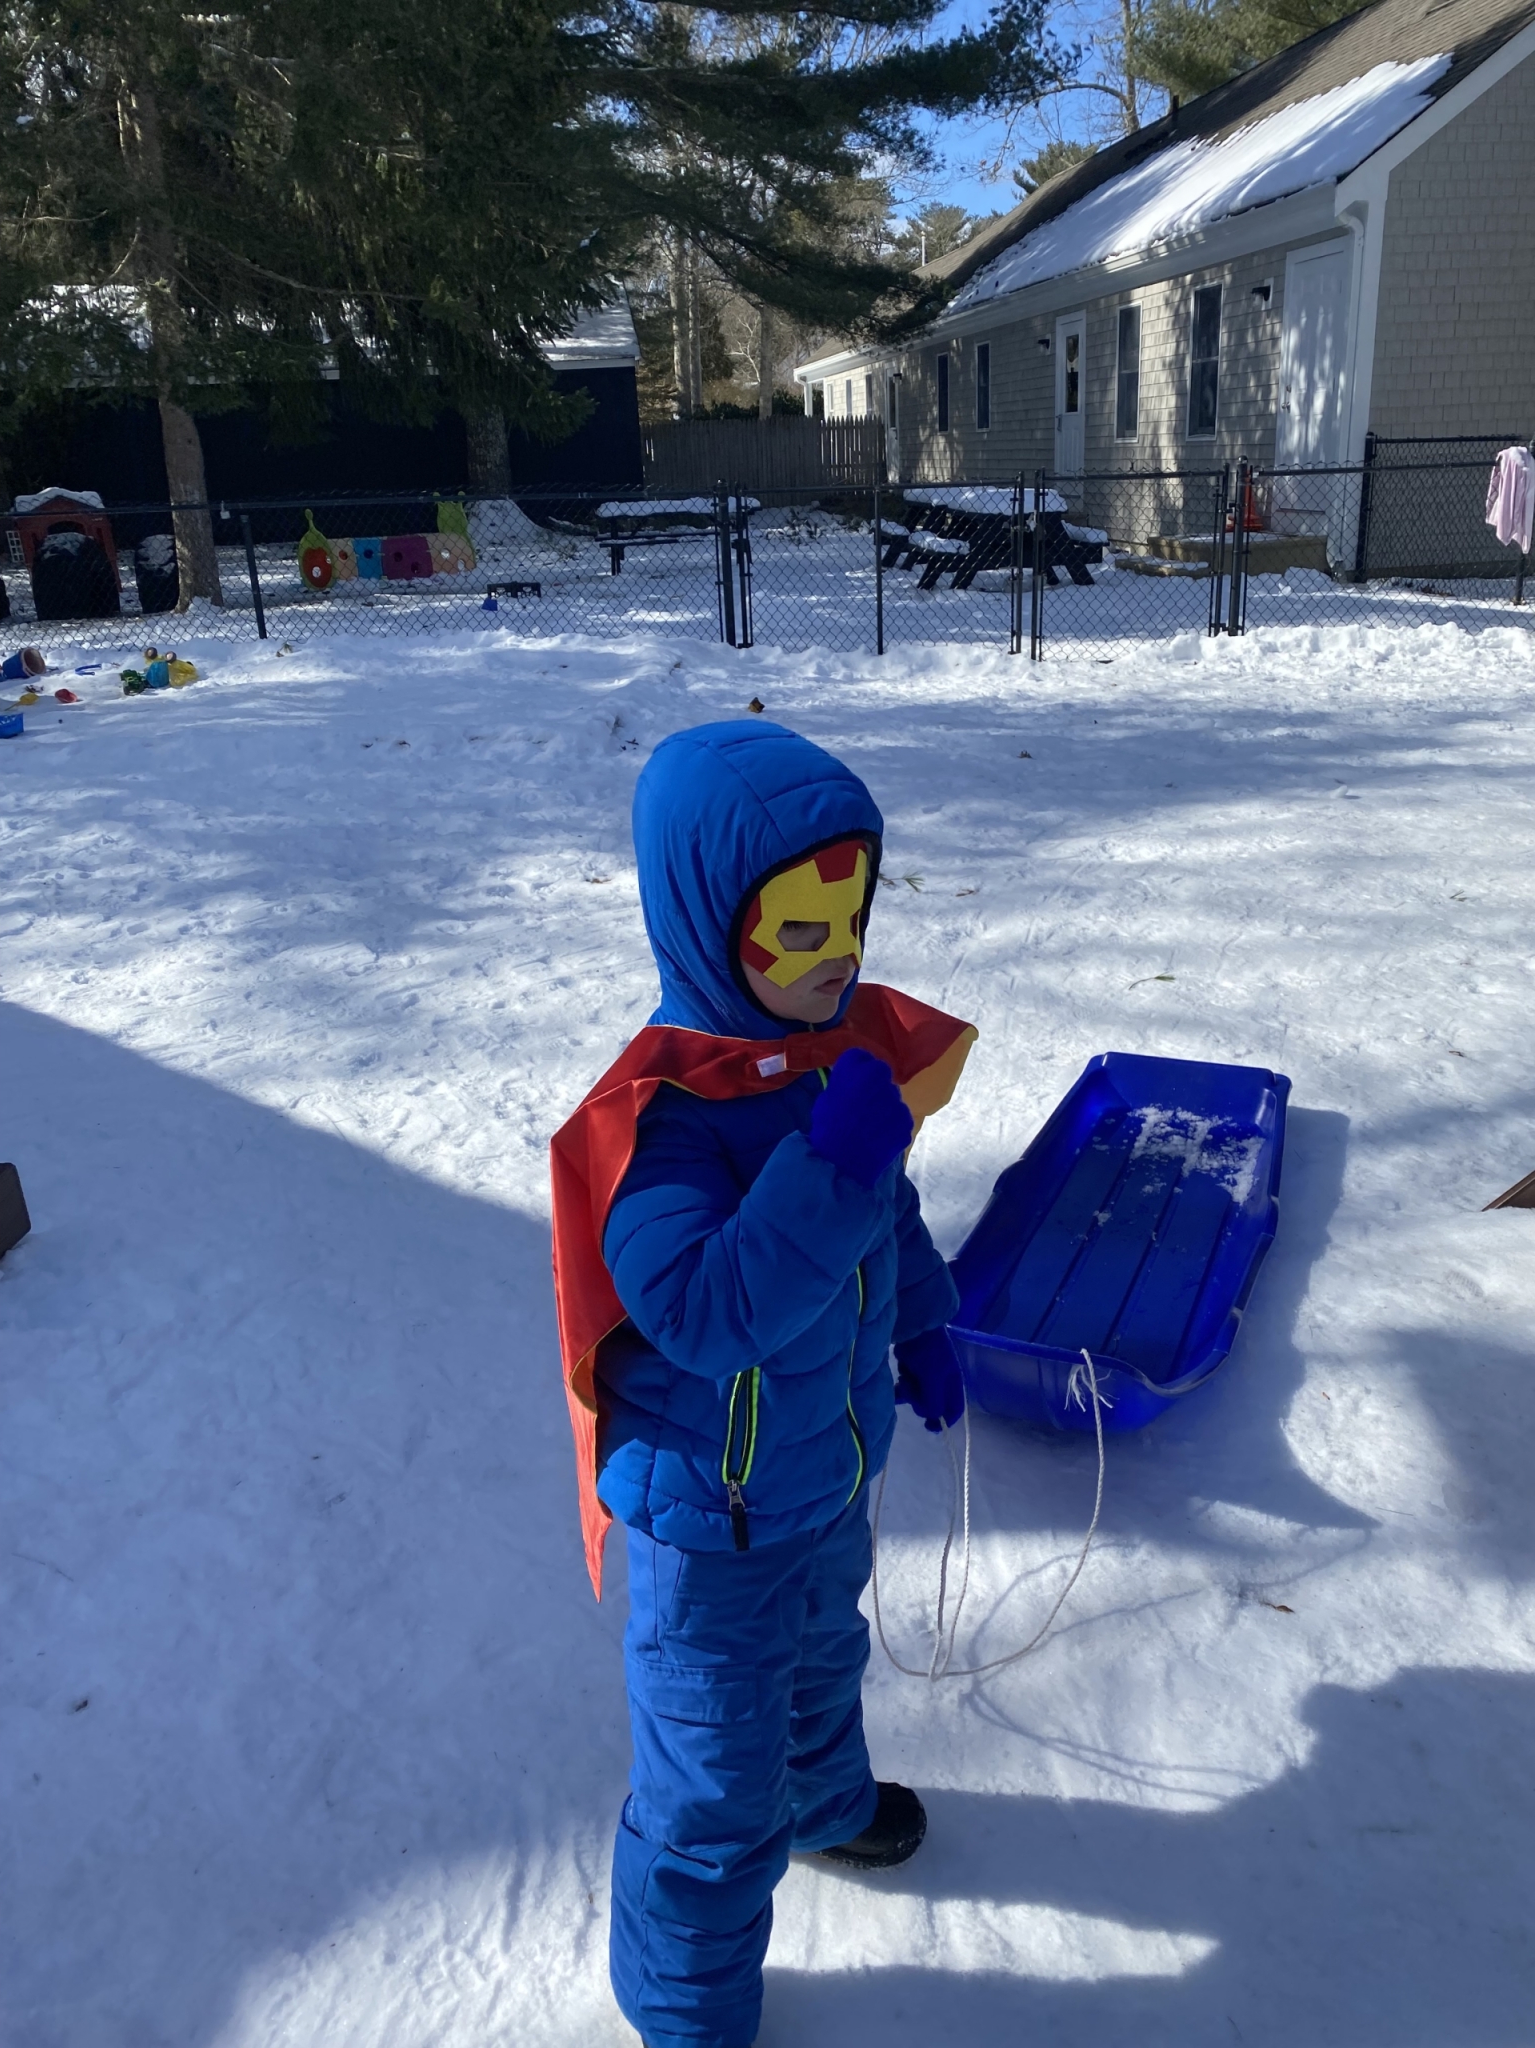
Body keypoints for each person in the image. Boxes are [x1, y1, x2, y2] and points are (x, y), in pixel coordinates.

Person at [549, 719, 976, 2048]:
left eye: (849, 919)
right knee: (710, 1784)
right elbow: (705, 1310)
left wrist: (922, 1321)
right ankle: (686, 2011)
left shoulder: (831, 1064)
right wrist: (832, 1165)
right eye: (798, 931)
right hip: (713, 1524)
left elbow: (885, 1216)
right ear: (705, 923)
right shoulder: (660, 1122)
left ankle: (826, 1803)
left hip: (823, 1476)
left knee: (823, 1660)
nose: (838, 956)